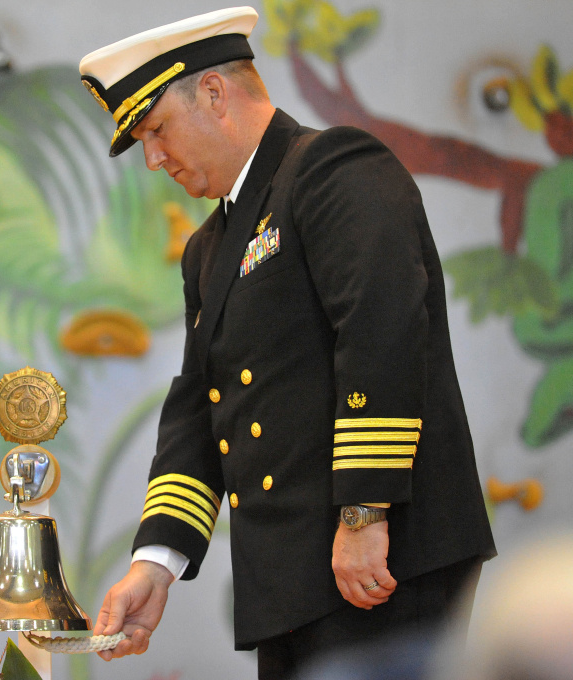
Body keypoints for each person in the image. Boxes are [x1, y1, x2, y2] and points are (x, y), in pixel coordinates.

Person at [78, 7, 496, 679]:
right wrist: (156, 562)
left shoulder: (334, 166)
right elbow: (197, 406)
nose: (154, 159)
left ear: (213, 94)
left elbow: (382, 327)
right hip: (292, 577)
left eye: (156, 129)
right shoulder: (209, 247)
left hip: (383, 555)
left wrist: (364, 511)